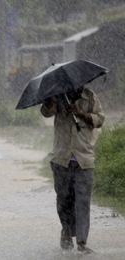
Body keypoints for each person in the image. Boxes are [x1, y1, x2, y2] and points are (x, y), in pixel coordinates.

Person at [40, 85, 105, 254]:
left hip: (84, 158)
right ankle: (66, 232)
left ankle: (82, 242)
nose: (79, 85)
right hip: (61, 157)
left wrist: (82, 114)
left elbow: (100, 119)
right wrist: (48, 101)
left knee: (83, 202)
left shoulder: (90, 96)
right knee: (64, 200)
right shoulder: (58, 95)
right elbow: (46, 112)